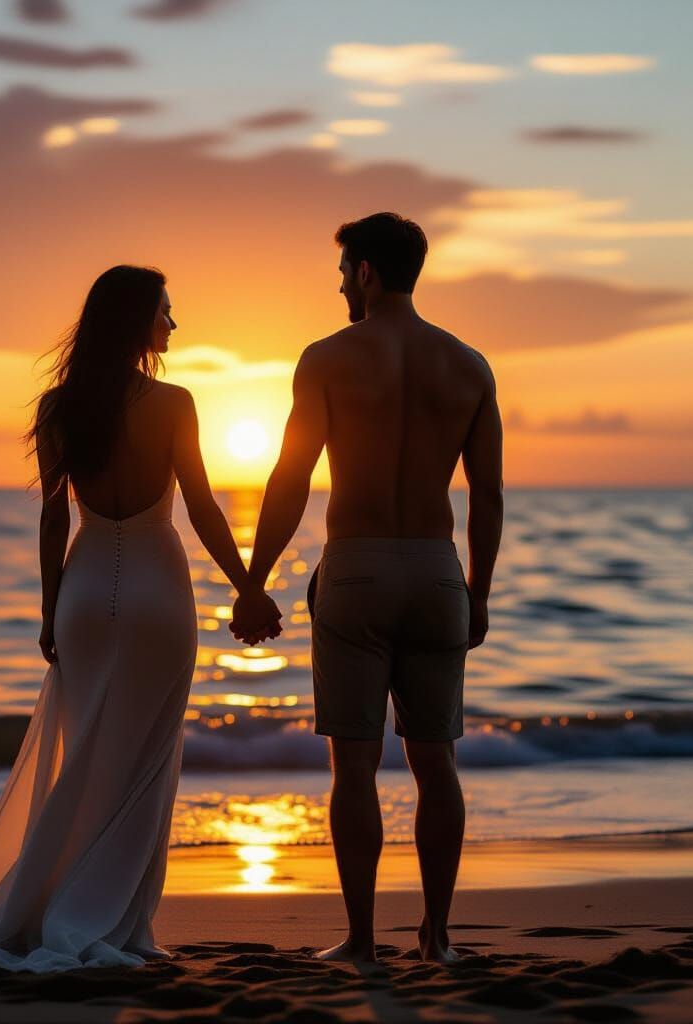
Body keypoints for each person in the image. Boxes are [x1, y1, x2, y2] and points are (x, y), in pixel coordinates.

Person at [0, 265, 279, 974]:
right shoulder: (174, 403)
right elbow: (200, 507)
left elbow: (53, 518)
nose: (174, 323)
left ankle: (57, 905)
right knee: (144, 762)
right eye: (166, 311)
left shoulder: (57, 406)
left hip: (82, 591)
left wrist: (50, 609)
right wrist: (248, 588)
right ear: (138, 320)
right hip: (158, 591)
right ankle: (116, 921)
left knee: (83, 759)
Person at [230, 212, 504, 964]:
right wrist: (477, 592)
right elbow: (488, 495)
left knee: (353, 767)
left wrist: (255, 581)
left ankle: (358, 941)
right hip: (435, 569)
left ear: (369, 273)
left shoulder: (327, 358)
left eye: (346, 270)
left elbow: (289, 479)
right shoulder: (470, 365)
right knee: (435, 759)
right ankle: (437, 936)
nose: (341, 285)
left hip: (356, 570)